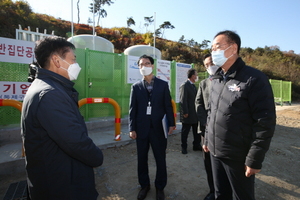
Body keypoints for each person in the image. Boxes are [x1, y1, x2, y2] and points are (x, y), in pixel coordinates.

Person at [21, 36, 104, 200]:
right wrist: (97, 156)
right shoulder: (50, 95)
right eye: (73, 60)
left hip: (58, 179)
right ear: (56, 61)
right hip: (62, 187)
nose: (76, 65)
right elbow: (75, 142)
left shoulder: (47, 87)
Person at [203, 30, 276, 200]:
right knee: (220, 194)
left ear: (233, 48)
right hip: (215, 152)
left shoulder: (254, 79)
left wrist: (254, 159)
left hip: (238, 156)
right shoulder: (216, 79)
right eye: (212, 48)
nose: (214, 52)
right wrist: (207, 139)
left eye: (218, 47)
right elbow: (211, 113)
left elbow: (265, 122)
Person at [129, 54, 175, 200]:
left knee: (160, 159)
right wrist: (132, 128)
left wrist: (172, 123)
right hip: (141, 129)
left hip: (159, 129)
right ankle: (144, 186)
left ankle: (160, 187)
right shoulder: (135, 87)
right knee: (142, 159)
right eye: (141, 64)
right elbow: (132, 109)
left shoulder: (163, 84)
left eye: (147, 63)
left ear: (153, 66)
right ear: (138, 67)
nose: (144, 67)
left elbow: (168, 105)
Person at [195, 53, 218, 200]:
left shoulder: (229, 81)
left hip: (223, 131)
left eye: (211, 63)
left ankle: (224, 192)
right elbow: (198, 103)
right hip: (206, 130)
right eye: (206, 65)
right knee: (208, 164)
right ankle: (212, 191)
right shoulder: (203, 83)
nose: (209, 67)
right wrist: (205, 122)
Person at [179, 68, 201, 154]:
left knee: (196, 131)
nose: (197, 76)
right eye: (196, 74)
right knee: (185, 132)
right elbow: (183, 100)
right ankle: (183, 147)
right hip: (187, 114)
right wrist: (185, 112)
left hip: (195, 114)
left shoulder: (193, 85)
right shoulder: (184, 85)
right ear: (192, 76)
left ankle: (196, 145)